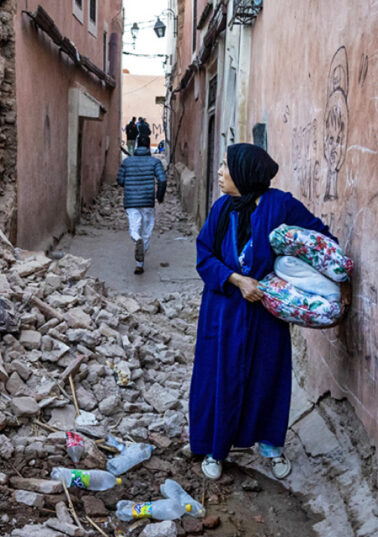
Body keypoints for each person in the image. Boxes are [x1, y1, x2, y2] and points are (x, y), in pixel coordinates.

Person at [189, 143, 335, 480]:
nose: (221, 172)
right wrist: (237, 280)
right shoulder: (222, 209)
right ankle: (215, 447)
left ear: (245, 173)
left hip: (265, 314)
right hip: (223, 312)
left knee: (266, 375)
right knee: (219, 376)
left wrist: (291, 279)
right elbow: (204, 254)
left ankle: (270, 446)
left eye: (226, 166)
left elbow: (320, 242)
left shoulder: (280, 206)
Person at [116, 134, 167, 274]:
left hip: (131, 201)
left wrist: (129, 184)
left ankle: (136, 240)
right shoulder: (154, 162)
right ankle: (140, 262)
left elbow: (120, 180)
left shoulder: (127, 162)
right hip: (147, 201)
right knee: (147, 230)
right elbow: (162, 180)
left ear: (137, 144)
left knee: (134, 227)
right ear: (149, 145)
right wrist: (159, 196)